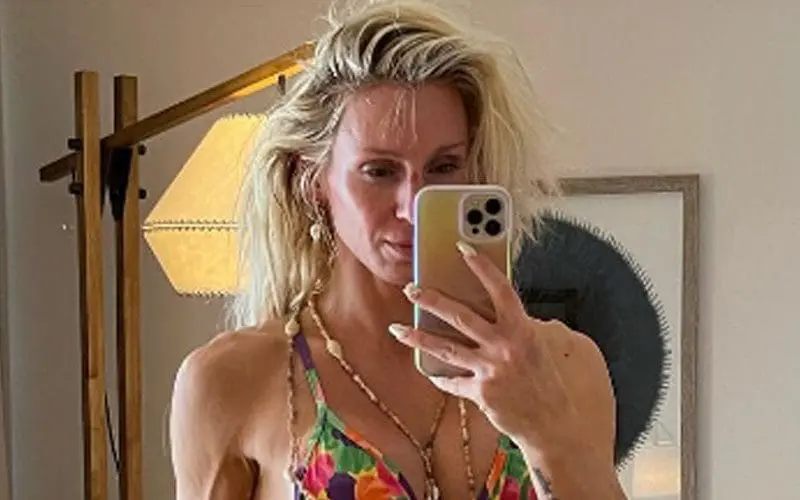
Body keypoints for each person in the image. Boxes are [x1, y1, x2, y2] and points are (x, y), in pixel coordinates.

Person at [169, 1, 625, 498]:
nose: (412, 207)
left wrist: (545, 433)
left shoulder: (564, 366)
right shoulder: (234, 381)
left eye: (444, 167)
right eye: (380, 171)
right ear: (313, 179)